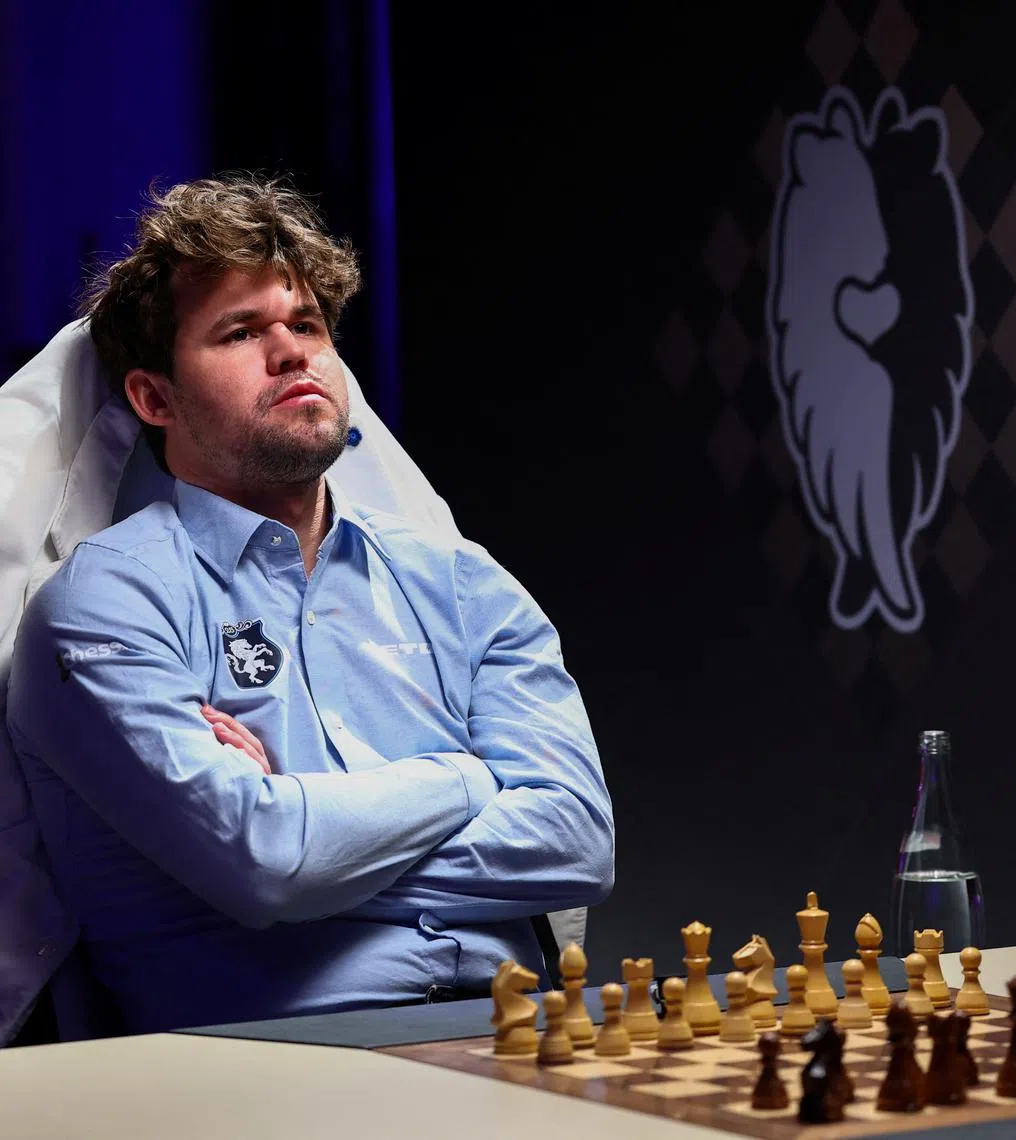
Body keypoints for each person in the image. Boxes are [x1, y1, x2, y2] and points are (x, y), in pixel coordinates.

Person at [6, 176, 614, 1035]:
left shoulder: (463, 583)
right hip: (261, 1071)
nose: (291, 352)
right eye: (241, 331)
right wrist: (471, 778)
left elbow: (579, 841)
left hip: (518, 1036)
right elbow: (267, 864)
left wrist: (312, 829)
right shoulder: (103, 606)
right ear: (154, 398)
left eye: (307, 325)